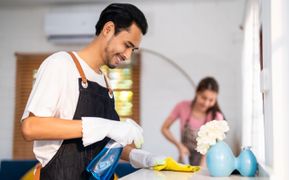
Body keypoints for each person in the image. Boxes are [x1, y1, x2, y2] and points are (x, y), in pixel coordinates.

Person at [21, 3, 164, 179]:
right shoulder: (61, 64)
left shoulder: (105, 82)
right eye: (127, 45)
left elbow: (102, 141)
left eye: (133, 49)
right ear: (108, 29)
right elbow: (31, 127)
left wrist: (142, 157)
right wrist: (105, 126)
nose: (128, 55)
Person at [161, 77, 225, 166]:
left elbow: (210, 148)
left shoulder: (217, 117)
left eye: (211, 100)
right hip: (184, 160)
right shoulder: (182, 106)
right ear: (197, 93)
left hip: (206, 164)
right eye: (203, 98)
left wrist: (200, 170)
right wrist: (179, 146)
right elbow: (164, 128)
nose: (206, 103)